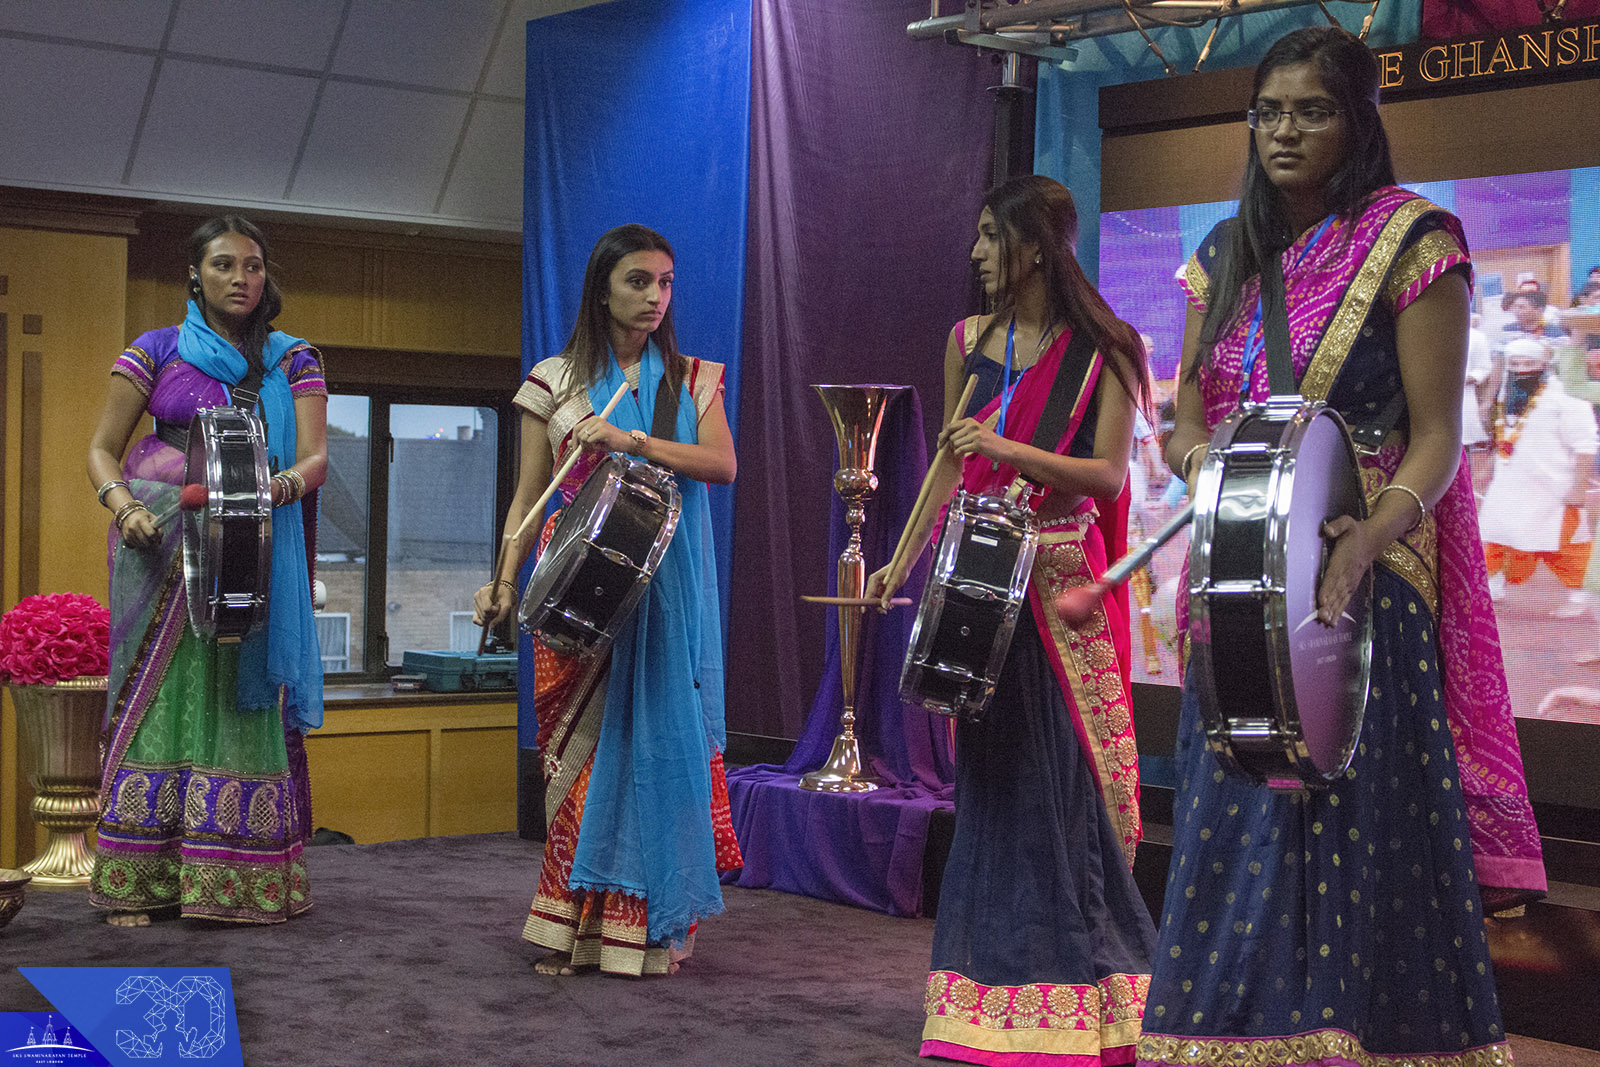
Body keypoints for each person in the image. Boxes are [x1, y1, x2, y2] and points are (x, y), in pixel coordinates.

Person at [1139, 27, 1545, 1066]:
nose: (1282, 130)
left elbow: (1438, 436)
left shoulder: (1414, 240)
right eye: (1267, 110)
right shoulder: (1223, 255)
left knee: (1355, 835)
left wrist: (1364, 537)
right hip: (1234, 581)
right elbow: (1184, 418)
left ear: (1357, 121)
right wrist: (1213, 476)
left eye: (1310, 110)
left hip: (1360, 585)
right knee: (1235, 823)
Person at [872, 174, 1157, 1065]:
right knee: (994, 790)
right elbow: (946, 473)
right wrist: (902, 559)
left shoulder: (1106, 347)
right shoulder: (969, 341)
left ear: (1033, 244)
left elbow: (1107, 477)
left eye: (991, 236)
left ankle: (1087, 994)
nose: (978, 253)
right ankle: (988, 992)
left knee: (1062, 792)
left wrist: (1008, 447)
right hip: (983, 591)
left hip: (1062, 591)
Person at [474, 223, 741, 977]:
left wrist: (635, 442)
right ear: (602, 289)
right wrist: (502, 576)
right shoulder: (554, 379)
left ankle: (643, 928)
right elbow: (528, 493)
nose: (655, 296)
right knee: (574, 758)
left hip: (662, 589)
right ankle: (570, 924)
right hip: (572, 587)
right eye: (638, 281)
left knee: (651, 749)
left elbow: (721, 462)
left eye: (665, 282)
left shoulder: (692, 379)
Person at [84, 215, 326, 925]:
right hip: (158, 549)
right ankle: (141, 878)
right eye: (224, 265)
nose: (241, 279)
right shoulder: (155, 350)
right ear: (196, 273)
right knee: (160, 699)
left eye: (252, 266)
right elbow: (101, 447)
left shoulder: (292, 358)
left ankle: (238, 879)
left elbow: (313, 458)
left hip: (252, 547)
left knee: (237, 695)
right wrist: (124, 504)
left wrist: (267, 494)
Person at [1480, 336, 1598, 614]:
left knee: (1562, 545)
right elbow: (1507, 434)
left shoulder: (1567, 396)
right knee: (1498, 534)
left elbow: (1586, 445)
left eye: (1529, 363)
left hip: (1553, 486)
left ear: (1545, 364)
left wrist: (1579, 488)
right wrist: (1490, 463)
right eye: (1515, 363)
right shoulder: (1507, 393)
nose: (1521, 369)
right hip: (1510, 483)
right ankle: (1493, 587)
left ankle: (1579, 597)